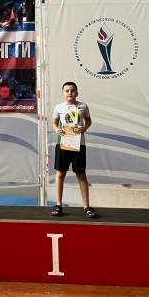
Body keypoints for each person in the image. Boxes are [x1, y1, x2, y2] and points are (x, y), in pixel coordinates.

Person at [51, 81, 97, 218]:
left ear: (77, 93)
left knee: (81, 174)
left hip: (79, 145)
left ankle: (86, 207)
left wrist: (85, 127)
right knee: (60, 174)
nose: (70, 93)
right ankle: (58, 205)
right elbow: (54, 123)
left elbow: (88, 121)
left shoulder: (83, 106)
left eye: (72, 90)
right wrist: (57, 129)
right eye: (67, 91)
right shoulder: (58, 107)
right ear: (62, 94)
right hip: (63, 144)